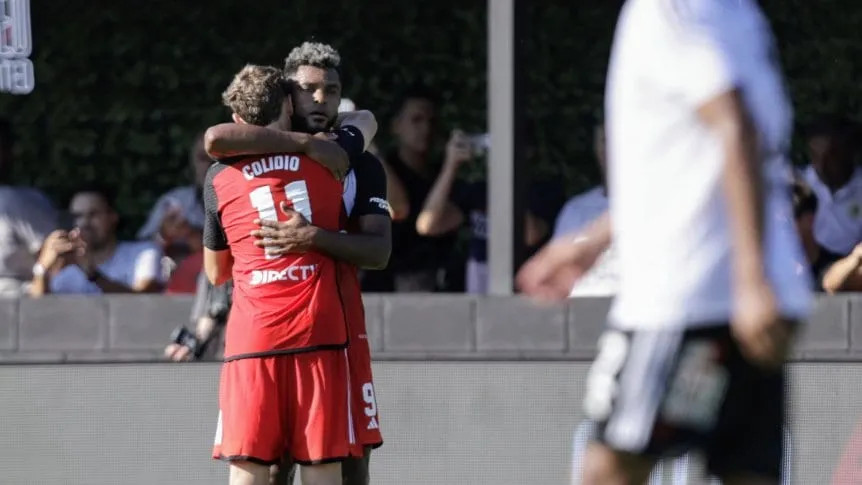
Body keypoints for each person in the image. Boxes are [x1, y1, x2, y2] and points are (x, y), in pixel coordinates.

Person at [517, 1, 811, 484]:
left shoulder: (668, 8)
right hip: (741, 294)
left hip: (690, 299)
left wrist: (749, 278)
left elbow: (734, 127)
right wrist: (596, 239)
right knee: (744, 471)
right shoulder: (736, 12)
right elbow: (693, 157)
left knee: (610, 470)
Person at [203, 41, 389, 485]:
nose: (321, 99)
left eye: (332, 89)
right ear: (287, 97)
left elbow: (378, 251)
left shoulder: (353, 159)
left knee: (352, 468)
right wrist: (303, 143)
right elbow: (216, 138)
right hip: (285, 334)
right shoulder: (243, 159)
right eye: (308, 89)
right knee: (274, 466)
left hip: (340, 336)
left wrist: (313, 238)